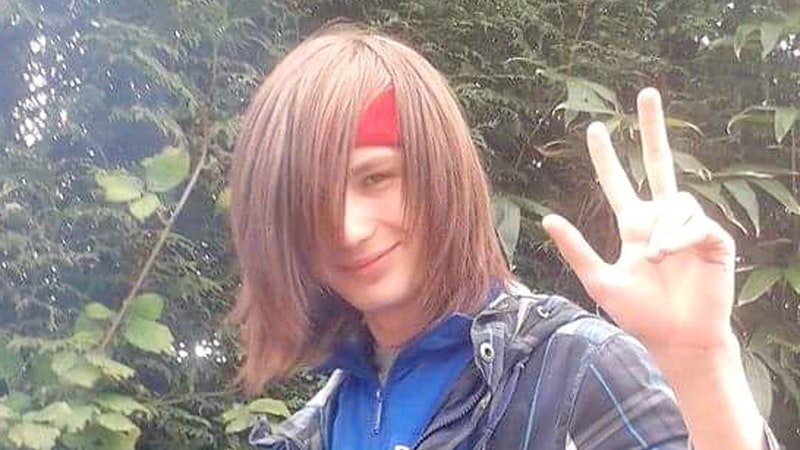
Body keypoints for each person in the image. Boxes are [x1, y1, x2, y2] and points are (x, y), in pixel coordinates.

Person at [228, 25, 778, 450]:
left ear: (439, 171)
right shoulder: (314, 427)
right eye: (312, 201)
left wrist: (700, 364)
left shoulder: (574, 370)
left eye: (376, 178)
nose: (348, 229)